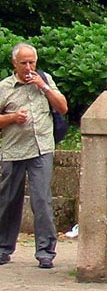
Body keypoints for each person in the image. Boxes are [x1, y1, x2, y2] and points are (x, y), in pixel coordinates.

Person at [0, 43, 68, 269]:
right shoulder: (5, 87)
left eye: (32, 62)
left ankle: (45, 251)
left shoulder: (45, 79)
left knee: (41, 200)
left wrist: (44, 87)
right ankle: (3, 248)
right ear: (14, 64)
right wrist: (11, 119)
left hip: (42, 149)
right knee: (8, 200)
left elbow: (63, 107)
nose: (29, 67)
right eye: (24, 63)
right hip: (14, 150)